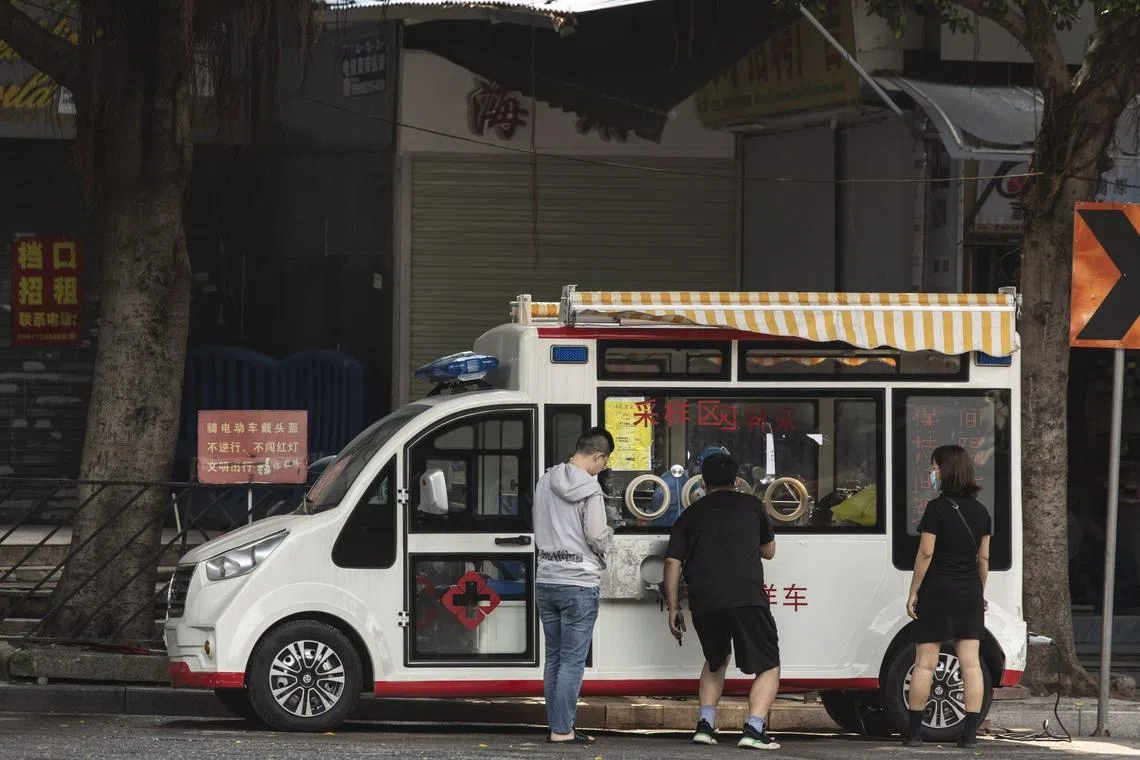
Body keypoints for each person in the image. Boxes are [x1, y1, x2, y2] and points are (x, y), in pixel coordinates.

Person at [663, 452, 781, 750]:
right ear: (737, 480)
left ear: (703, 482)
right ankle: (754, 730)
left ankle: (704, 726)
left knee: (716, 660)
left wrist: (674, 606)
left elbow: (673, 563)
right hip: (746, 597)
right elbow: (769, 551)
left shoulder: (689, 514)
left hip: (705, 599)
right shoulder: (753, 506)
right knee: (768, 665)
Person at [904, 444, 992, 748]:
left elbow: (926, 552)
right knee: (970, 664)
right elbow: (984, 560)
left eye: (935, 467)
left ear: (946, 470)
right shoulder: (981, 512)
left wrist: (914, 589)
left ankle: (915, 734)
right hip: (969, 590)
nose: (933, 473)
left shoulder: (937, 509)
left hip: (937, 590)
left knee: (925, 664)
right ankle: (969, 735)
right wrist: (979, 591)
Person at [533, 426, 616, 744]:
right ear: (598, 456)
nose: (603, 468)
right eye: (604, 462)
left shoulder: (545, 481)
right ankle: (563, 729)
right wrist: (610, 537)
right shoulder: (591, 491)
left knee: (554, 656)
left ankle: (559, 726)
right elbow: (596, 535)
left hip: (547, 578)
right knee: (571, 660)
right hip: (579, 583)